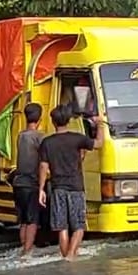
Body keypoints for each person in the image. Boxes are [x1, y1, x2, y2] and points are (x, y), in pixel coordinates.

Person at [38, 105, 104, 261]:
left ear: (53, 122)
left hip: (57, 188)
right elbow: (99, 144)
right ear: (68, 121)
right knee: (79, 226)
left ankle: (66, 257)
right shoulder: (77, 138)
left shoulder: (47, 142)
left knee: (62, 227)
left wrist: (41, 189)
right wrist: (100, 124)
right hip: (76, 187)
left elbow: (43, 166)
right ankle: (70, 257)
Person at [13, 103, 44, 255]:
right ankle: (27, 252)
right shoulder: (40, 137)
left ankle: (23, 247)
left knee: (24, 221)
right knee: (32, 220)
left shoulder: (21, 135)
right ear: (40, 119)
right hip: (31, 183)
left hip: (18, 183)